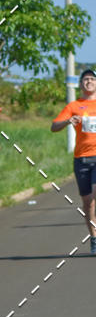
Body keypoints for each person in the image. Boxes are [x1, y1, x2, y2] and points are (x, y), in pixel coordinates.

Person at [51, 68, 96, 254]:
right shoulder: (74, 106)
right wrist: (69, 121)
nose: (89, 82)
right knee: (88, 203)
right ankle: (94, 238)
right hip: (82, 159)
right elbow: (54, 126)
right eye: (85, 79)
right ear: (80, 84)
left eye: (92, 79)